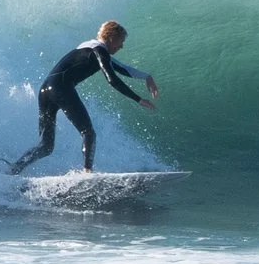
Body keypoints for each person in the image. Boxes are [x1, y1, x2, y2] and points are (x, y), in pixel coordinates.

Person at [10, 20, 157, 174]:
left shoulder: (90, 47)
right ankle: (87, 172)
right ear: (112, 37)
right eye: (121, 42)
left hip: (45, 91)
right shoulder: (99, 50)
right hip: (61, 88)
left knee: (45, 146)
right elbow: (112, 79)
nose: (121, 46)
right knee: (88, 132)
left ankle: (14, 169)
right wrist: (138, 99)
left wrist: (146, 76)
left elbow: (121, 68)